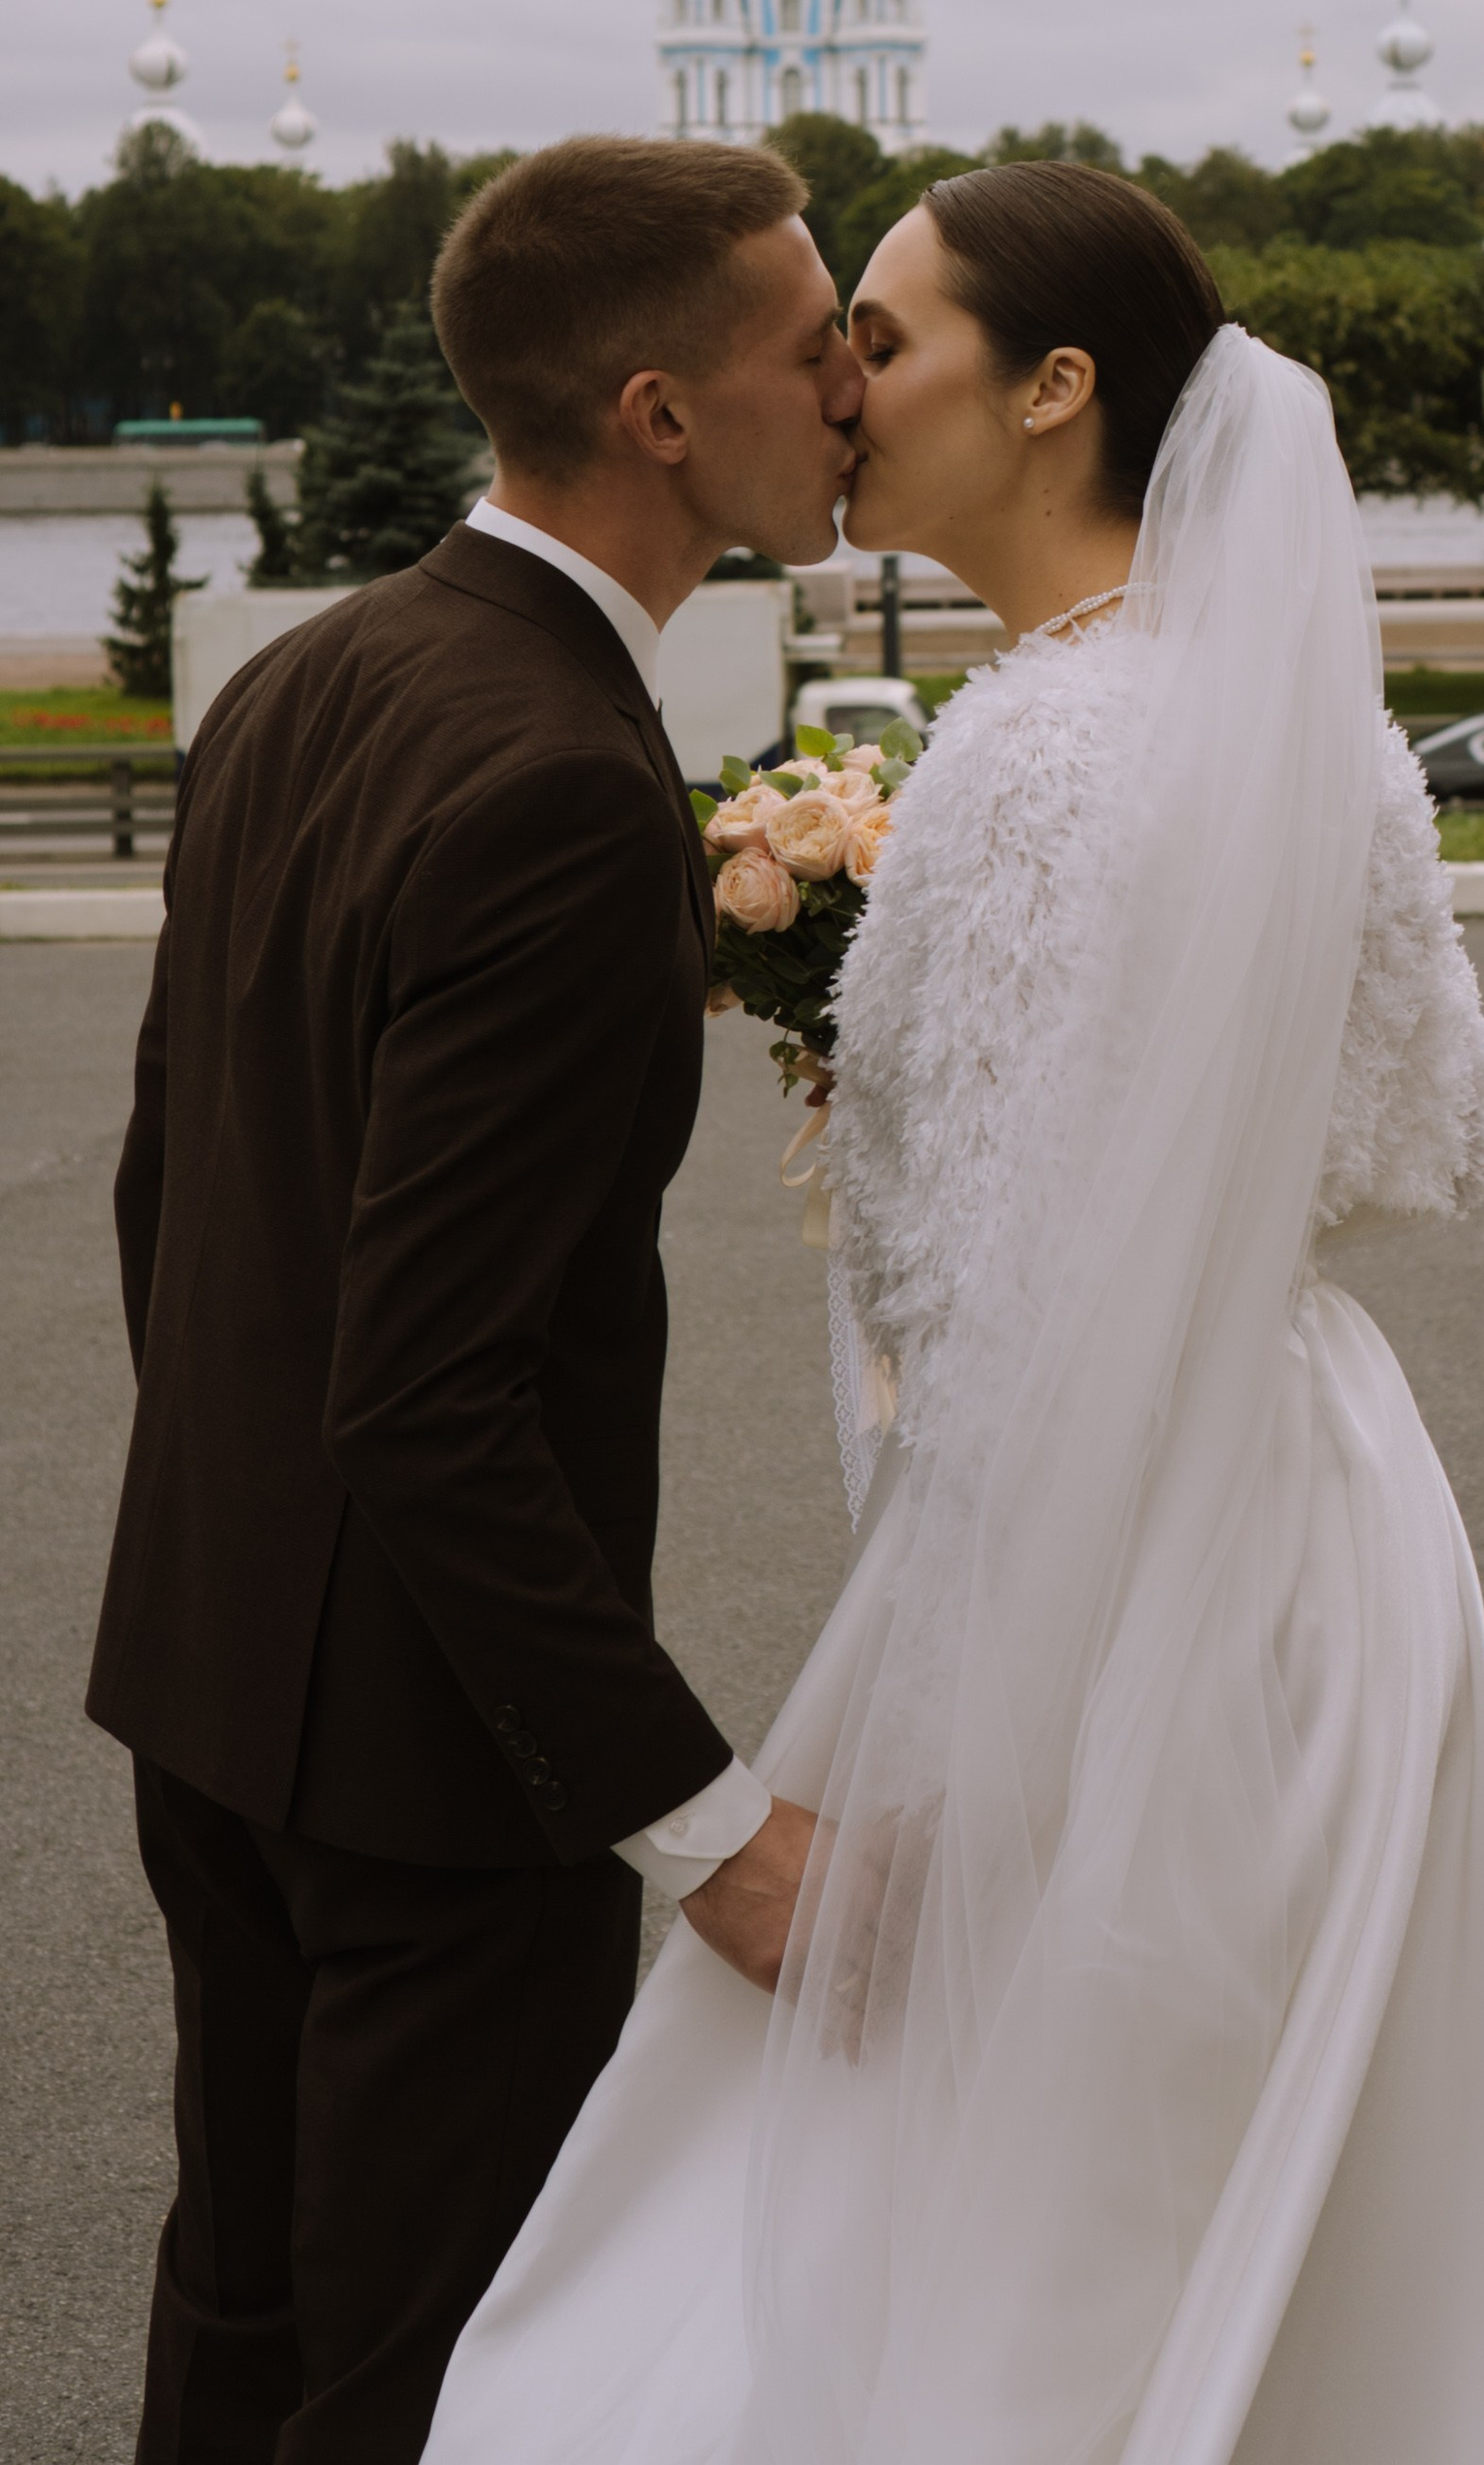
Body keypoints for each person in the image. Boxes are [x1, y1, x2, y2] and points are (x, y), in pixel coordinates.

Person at [426, 161, 1484, 2465]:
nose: (843, 383)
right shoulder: (1295, 715)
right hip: (1325, 1512)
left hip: (1107, 1562)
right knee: (1229, 2189)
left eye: (890, 340)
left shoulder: (1027, 758)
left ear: (1055, 394)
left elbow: (1004, 1305)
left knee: (941, 2204)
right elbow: (1429, 1136)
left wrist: (976, 1696)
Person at [88, 137, 863, 2462]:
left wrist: (254, 1584)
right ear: (657, 411)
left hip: (216, 1682)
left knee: (245, 2323)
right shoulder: (550, 776)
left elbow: (174, 1201)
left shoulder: (319, 679)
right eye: (811, 343)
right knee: (428, 2386)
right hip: (431, 1783)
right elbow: (431, 1389)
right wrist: (705, 1831)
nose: (849, 385)